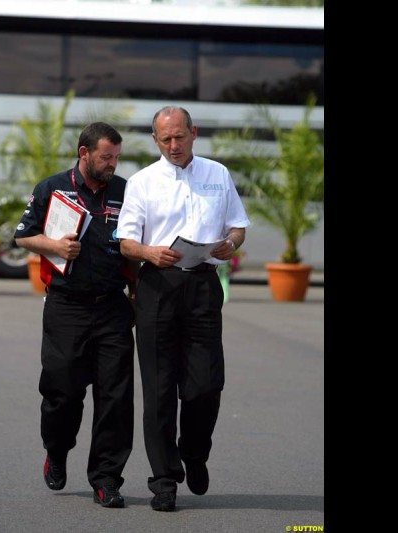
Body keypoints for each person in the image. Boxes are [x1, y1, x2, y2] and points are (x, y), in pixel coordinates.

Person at [116, 106, 250, 512]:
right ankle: (164, 480)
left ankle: (194, 452)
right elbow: (125, 241)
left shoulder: (218, 174)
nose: (173, 146)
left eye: (180, 137)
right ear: (156, 141)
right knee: (158, 391)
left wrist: (231, 243)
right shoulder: (142, 182)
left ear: (193, 133)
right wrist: (148, 252)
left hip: (204, 285)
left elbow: (238, 226)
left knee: (206, 385)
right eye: (165, 139)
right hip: (158, 285)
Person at [14, 122, 139, 509]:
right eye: (106, 157)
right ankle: (57, 448)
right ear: (84, 153)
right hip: (65, 306)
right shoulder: (52, 188)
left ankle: (106, 479)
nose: (112, 165)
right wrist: (53, 245)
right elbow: (21, 236)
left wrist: (136, 291)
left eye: (116, 157)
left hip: (113, 307)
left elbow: (136, 243)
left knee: (116, 399)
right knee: (62, 393)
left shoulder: (125, 191)